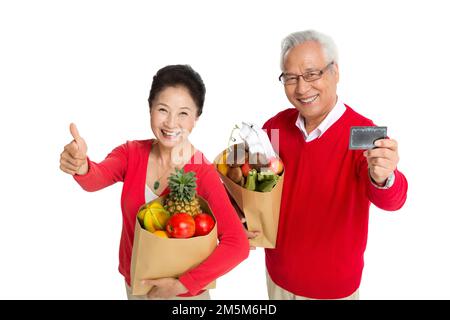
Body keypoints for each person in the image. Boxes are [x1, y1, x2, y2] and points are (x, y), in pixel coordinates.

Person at [59, 64, 249, 300]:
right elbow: (95, 178)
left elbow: (237, 245)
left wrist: (183, 285)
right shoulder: (131, 153)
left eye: (183, 113)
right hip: (136, 286)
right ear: (150, 109)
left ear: (196, 119)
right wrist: (81, 165)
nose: (171, 123)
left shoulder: (203, 172)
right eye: (162, 109)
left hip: (185, 297)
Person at [247, 30, 408, 300]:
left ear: (335, 72)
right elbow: (254, 187)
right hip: (278, 277)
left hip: (334, 289)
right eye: (291, 78)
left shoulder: (362, 133)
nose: (301, 88)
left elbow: (393, 200)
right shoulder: (274, 127)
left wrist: (385, 177)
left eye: (312, 74)